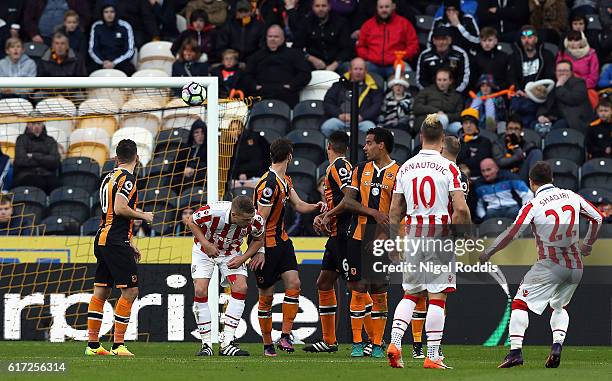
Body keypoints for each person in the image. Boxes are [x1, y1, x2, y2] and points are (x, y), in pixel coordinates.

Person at [480, 161, 603, 368]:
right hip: (575, 266)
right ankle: (556, 346)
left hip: (549, 264)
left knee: (520, 303)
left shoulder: (533, 204)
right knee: (559, 306)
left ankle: (515, 352)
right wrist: (588, 245)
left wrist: (489, 251)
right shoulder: (571, 196)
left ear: (531, 182)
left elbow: (513, 232)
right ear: (552, 179)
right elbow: (597, 218)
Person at [387, 113, 471, 369]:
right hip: (439, 233)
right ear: (442, 139)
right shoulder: (449, 167)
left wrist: (395, 242)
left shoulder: (406, 166)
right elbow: (461, 209)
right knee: (437, 296)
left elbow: (394, 210)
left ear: (421, 136)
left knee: (410, 293)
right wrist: (463, 232)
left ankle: (394, 343)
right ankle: (432, 355)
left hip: (412, 232)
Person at [322, 128, 399, 358]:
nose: (364, 147)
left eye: (368, 143)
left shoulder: (398, 172)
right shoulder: (360, 169)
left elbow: (399, 210)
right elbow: (348, 201)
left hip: (382, 239)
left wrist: (386, 235)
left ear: (381, 145)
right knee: (357, 287)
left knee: (379, 290)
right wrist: (372, 212)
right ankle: (357, 343)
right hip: (356, 235)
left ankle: (376, 344)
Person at [253, 138, 325, 356]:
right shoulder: (269, 185)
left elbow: (300, 205)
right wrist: (259, 250)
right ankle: (267, 344)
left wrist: (317, 206)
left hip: (283, 242)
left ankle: (285, 336)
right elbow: (260, 221)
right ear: (290, 157)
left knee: (294, 283)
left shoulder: (285, 180)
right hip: (266, 246)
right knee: (266, 296)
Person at [86, 139, 154, 356]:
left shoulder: (108, 177)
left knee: (102, 291)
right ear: (137, 158)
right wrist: (144, 215)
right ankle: (118, 345)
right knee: (131, 290)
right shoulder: (128, 178)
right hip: (115, 240)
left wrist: (129, 242)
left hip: (103, 238)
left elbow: (111, 212)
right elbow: (120, 208)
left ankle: (93, 346)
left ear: (116, 158)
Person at [187, 196, 265, 356]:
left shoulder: (256, 220)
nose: (250, 222)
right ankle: (206, 345)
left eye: (251, 218)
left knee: (241, 287)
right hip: (204, 252)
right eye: (246, 220)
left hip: (232, 253)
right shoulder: (213, 212)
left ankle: (227, 343)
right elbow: (191, 221)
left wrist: (243, 258)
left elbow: (258, 239)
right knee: (200, 291)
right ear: (234, 215)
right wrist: (206, 244)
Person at [302, 132, 353, 353]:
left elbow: (350, 198)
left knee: (357, 286)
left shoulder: (338, 166)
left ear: (328, 146)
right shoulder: (341, 166)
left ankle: (371, 341)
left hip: (345, 233)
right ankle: (329, 340)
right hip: (335, 235)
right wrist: (327, 216)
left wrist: (327, 215)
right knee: (324, 282)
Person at [244, 25, 311, 108]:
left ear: (283, 38)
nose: (272, 39)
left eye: (276, 37)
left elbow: (305, 74)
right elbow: (247, 75)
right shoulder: (256, 56)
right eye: (270, 36)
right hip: (261, 95)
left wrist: (291, 85)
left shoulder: (294, 54)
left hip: (286, 96)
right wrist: (254, 86)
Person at [355, 0, 419, 78]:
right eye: (381, 7)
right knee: (357, 71)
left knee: (408, 74)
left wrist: (402, 56)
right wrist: (369, 56)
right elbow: (361, 46)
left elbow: (413, 44)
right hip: (373, 64)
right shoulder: (368, 25)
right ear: (377, 8)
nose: (384, 10)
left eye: (387, 7)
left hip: (396, 64)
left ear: (393, 7)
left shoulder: (404, 24)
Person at [321, 57, 383, 137]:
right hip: (340, 119)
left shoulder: (373, 87)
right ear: (350, 70)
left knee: (372, 130)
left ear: (366, 71)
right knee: (327, 127)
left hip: (362, 121)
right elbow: (328, 102)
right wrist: (339, 115)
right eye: (355, 69)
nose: (358, 72)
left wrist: (362, 116)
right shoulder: (338, 85)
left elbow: (376, 106)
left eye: (361, 69)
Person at [293, 0, 352, 72]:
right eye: (317, 6)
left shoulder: (341, 22)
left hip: (336, 62)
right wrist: (311, 59)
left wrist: (335, 64)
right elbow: (296, 47)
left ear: (329, 7)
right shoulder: (305, 23)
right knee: (299, 65)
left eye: (324, 6)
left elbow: (346, 48)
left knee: (348, 67)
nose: (320, 9)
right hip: (313, 62)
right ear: (312, 7)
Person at [536, 60, 594, 132]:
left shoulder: (579, 83)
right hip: (553, 118)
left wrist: (560, 87)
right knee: (534, 126)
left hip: (573, 119)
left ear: (571, 72)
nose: (562, 73)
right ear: (555, 72)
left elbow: (573, 99)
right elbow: (545, 103)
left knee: (556, 129)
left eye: (565, 71)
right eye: (559, 71)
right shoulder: (552, 85)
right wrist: (540, 115)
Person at [13, 113, 61, 194]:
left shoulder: (50, 140)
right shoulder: (21, 139)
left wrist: (33, 155)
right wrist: (45, 159)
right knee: (38, 182)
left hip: (47, 174)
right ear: (28, 124)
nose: (36, 126)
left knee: (57, 186)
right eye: (33, 123)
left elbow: (55, 161)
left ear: (43, 124)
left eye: (39, 123)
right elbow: (20, 161)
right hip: (26, 175)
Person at [416, 26, 471, 93]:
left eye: (444, 39)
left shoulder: (460, 54)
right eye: (438, 39)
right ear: (433, 41)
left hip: (454, 95)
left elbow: (464, 78)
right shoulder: (425, 56)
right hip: (430, 95)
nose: (441, 42)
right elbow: (420, 80)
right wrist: (430, 93)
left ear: (450, 40)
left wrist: (454, 93)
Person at [88, 2, 136, 76]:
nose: (109, 15)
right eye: (106, 12)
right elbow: (93, 49)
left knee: (130, 70)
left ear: (116, 13)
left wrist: (114, 63)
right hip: (102, 62)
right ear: (102, 13)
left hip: (120, 62)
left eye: (112, 12)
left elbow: (130, 50)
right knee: (89, 69)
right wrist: (103, 62)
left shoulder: (125, 26)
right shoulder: (96, 26)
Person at [413, 68, 464, 136]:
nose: (441, 83)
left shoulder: (456, 96)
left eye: (444, 80)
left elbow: (459, 114)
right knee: (442, 119)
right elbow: (417, 107)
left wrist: (447, 116)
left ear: (450, 81)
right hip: (426, 121)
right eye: (439, 80)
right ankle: (437, 144)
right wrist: (436, 111)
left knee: (461, 128)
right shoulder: (426, 91)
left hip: (448, 121)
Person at [493, 114, 543, 181]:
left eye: (516, 129)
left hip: (522, 175)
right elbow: (500, 162)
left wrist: (516, 146)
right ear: (506, 130)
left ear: (521, 131)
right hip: (504, 176)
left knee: (536, 152)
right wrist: (518, 156)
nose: (513, 132)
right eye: (510, 129)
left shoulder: (527, 145)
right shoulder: (498, 144)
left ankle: (536, 183)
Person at [508, 25, 555, 94]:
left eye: (530, 37)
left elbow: (549, 76)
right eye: (523, 38)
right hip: (520, 93)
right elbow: (511, 77)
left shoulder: (546, 55)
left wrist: (538, 91)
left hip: (541, 92)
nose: (526, 41)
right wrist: (517, 90)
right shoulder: (514, 57)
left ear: (536, 39)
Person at [94, 0, 160, 48]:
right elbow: (98, 16)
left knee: (139, 42)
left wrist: (155, 35)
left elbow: (147, 17)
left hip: (135, 30)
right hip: (111, 29)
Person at [24, 0, 91, 46]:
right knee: (46, 62)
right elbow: (28, 18)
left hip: (67, 38)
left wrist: (74, 29)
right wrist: (34, 34)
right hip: (42, 38)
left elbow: (85, 16)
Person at [456, 108, 493, 177]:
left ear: (476, 125)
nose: (468, 125)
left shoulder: (484, 141)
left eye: (471, 122)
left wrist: (462, 162)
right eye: (465, 123)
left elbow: (481, 161)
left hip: (478, 177)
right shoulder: (456, 141)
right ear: (462, 125)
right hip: (458, 177)